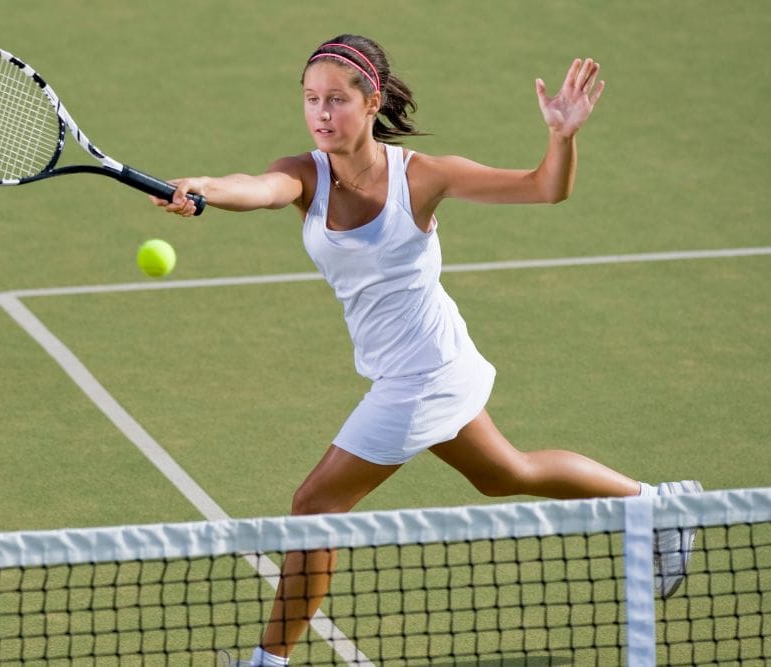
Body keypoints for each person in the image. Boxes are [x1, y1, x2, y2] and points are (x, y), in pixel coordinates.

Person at [150, 35, 702, 667]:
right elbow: (256, 186)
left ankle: (266, 663)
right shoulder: (307, 173)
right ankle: (656, 503)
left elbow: (545, 188)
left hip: (425, 376)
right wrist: (204, 189)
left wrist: (563, 137)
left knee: (315, 505)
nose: (321, 114)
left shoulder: (424, 178)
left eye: (336, 100)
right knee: (507, 474)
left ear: (371, 101)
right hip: (418, 362)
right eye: (310, 100)